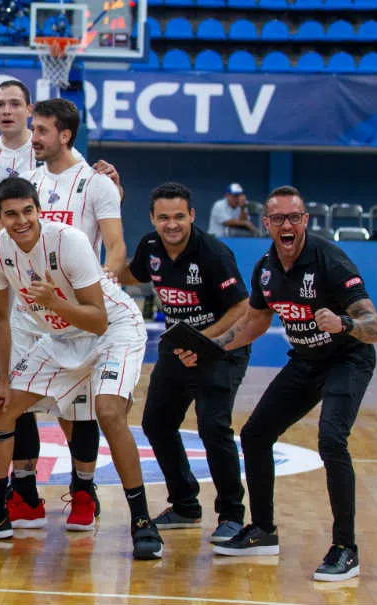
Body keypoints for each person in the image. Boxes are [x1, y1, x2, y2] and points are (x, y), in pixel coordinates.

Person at [0, 176, 163, 561]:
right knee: (0, 407)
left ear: (38, 210)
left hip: (114, 331)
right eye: (10, 214)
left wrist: (54, 303)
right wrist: (2, 380)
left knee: (109, 412)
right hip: (61, 337)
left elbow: (97, 320)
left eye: (28, 210)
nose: (21, 220)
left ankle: (143, 521)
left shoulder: (69, 242)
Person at [175, 185, 377, 582]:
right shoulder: (267, 268)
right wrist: (211, 346)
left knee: (331, 441)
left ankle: (345, 548)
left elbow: (375, 329)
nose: (286, 225)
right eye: (278, 219)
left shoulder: (330, 261)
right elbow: (256, 320)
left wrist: (346, 324)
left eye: (294, 217)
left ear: (305, 221)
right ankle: (263, 530)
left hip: (347, 359)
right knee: (255, 435)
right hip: (306, 361)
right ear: (267, 224)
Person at [0, 97, 125, 533]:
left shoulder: (95, 182)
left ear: (65, 135)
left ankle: (83, 490)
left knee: (77, 410)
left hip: (73, 314)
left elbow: (115, 246)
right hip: (26, 316)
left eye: (40, 130)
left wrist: (106, 285)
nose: (32, 136)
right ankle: (23, 492)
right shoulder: (29, 183)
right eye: (33, 129)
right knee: (17, 403)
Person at [118, 182, 250, 543]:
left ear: (192, 215)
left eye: (179, 216)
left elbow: (241, 307)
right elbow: (133, 274)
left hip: (221, 346)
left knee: (212, 426)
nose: (171, 224)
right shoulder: (150, 246)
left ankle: (232, 515)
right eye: (163, 217)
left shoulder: (213, 254)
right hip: (177, 346)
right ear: (152, 218)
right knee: (157, 423)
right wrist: (107, 266)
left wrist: (204, 341)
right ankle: (185, 504)